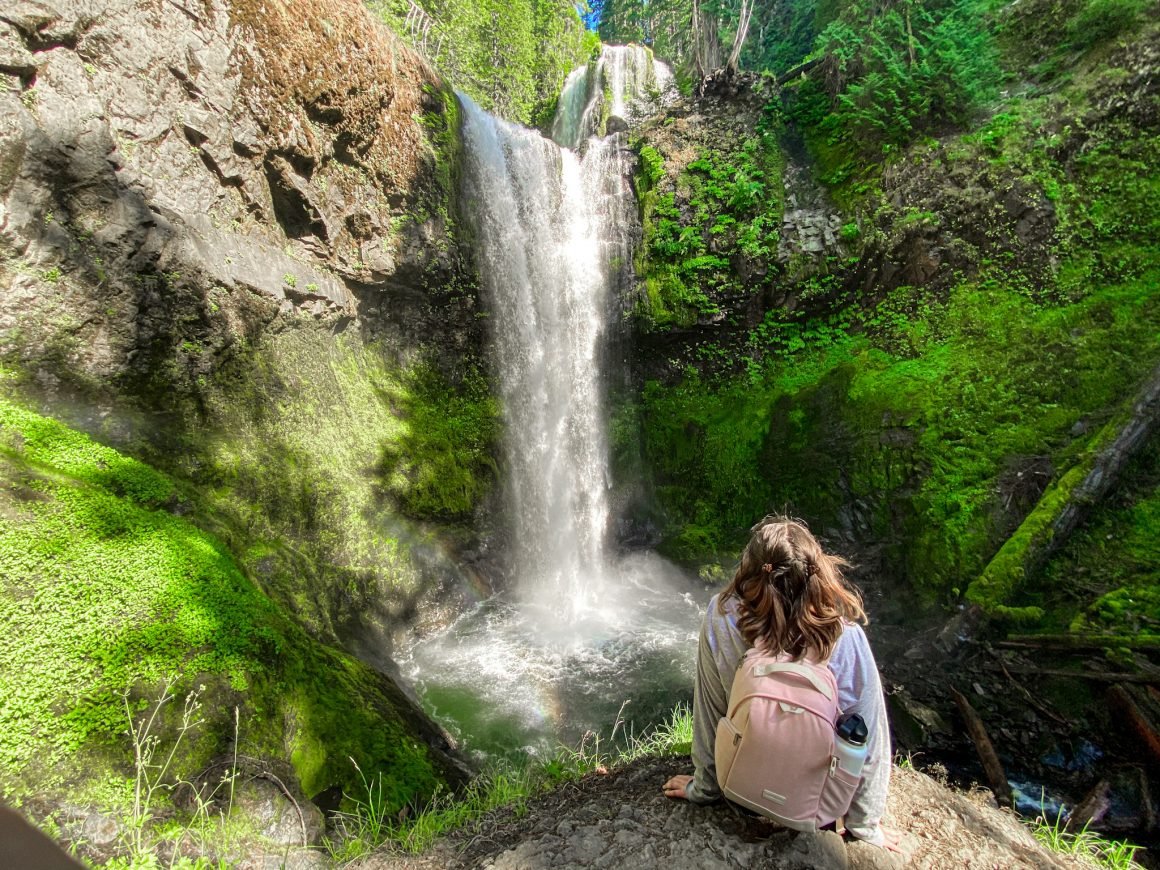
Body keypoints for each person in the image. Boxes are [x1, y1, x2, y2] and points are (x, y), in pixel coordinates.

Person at [662, 515, 902, 851]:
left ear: (750, 569)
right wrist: (865, 824)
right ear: (817, 573)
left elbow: (712, 709)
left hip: (740, 786)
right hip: (817, 803)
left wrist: (704, 789)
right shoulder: (843, 632)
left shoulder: (722, 616)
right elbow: (868, 732)